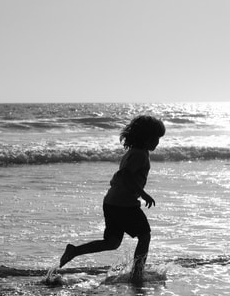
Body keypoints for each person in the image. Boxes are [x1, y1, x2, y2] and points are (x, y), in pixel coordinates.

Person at [58, 115, 166, 283]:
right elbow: (125, 175)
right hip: (125, 204)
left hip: (112, 202)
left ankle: (74, 251)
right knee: (145, 236)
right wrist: (143, 193)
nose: (157, 143)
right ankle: (137, 274)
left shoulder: (136, 152)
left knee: (112, 242)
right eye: (155, 138)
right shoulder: (139, 155)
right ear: (144, 138)